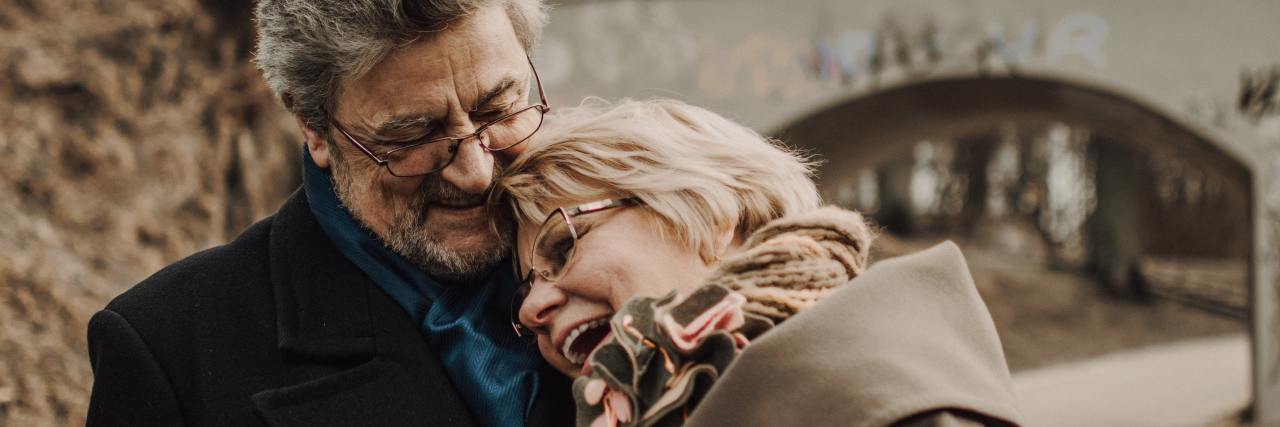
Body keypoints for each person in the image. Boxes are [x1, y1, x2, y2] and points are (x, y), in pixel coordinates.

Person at [85, 1, 575, 425]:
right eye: (413, 135)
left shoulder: (616, 250)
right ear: (313, 126)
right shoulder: (169, 350)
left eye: (499, 109)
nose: (476, 174)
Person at [497, 99, 1022, 426]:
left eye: (563, 246)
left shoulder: (891, 406)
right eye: (524, 288)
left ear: (710, 215)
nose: (530, 309)